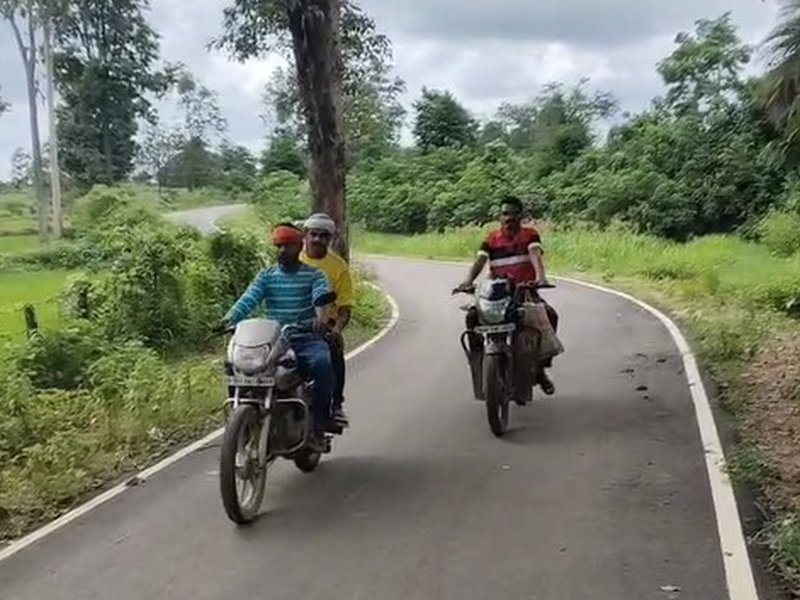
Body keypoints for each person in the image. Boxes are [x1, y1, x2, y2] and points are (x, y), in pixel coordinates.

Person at [221, 222, 336, 449]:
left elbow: (320, 296)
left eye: (289, 246)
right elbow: (248, 298)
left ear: (299, 246)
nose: (283, 251)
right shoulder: (267, 276)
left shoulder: (314, 275)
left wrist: (321, 318)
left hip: (304, 338)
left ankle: (319, 428)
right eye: (280, 246)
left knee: (323, 363)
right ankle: (240, 419)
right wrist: (229, 319)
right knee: (232, 363)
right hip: (271, 341)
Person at [455, 195, 559, 395]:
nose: (508, 218)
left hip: (524, 291)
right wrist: (467, 281)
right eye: (505, 214)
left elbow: (535, 255)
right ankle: (477, 358)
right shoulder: (491, 238)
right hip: (496, 294)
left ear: (520, 215)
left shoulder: (530, 235)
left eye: (513, 213)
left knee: (550, 315)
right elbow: (480, 261)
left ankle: (540, 368)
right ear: (500, 217)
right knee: (472, 317)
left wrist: (541, 278)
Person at [300, 213, 354, 428]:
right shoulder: (294, 259)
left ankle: (335, 405)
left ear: (330, 239)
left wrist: (337, 330)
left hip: (325, 326)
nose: (317, 240)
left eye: (324, 236)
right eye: (313, 234)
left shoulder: (338, 267)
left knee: (334, 350)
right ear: (305, 235)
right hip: (291, 323)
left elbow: (345, 306)